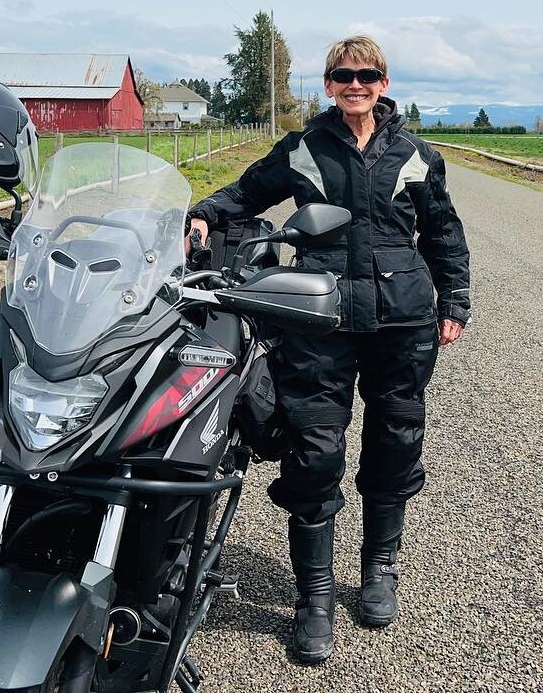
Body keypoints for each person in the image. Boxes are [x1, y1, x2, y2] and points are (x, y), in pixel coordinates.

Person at [186, 35, 470, 663]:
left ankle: (378, 573)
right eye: (343, 75)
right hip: (318, 320)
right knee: (314, 450)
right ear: (329, 83)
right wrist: (203, 213)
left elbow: (444, 232)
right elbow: (248, 191)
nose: (355, 85)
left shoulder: (417, 155)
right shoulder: (306, 146)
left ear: (384, 83)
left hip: (402, 320)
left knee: (396, 437)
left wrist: (454, 303)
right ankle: (313, 596)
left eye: (366, 75)